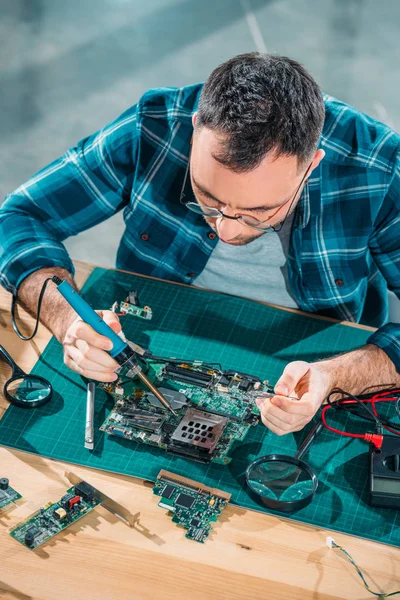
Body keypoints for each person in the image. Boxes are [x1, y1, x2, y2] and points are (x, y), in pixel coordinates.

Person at [1, 52, 399, 436]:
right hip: (148, 330)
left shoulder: (378, 168)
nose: (226, 230)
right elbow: (18, 217)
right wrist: (67, 318)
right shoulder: (154, 124)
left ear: (311, 165)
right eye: (207, 198)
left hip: (316, 350)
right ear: (194, 132)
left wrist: (335, 376)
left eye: (257, 212)